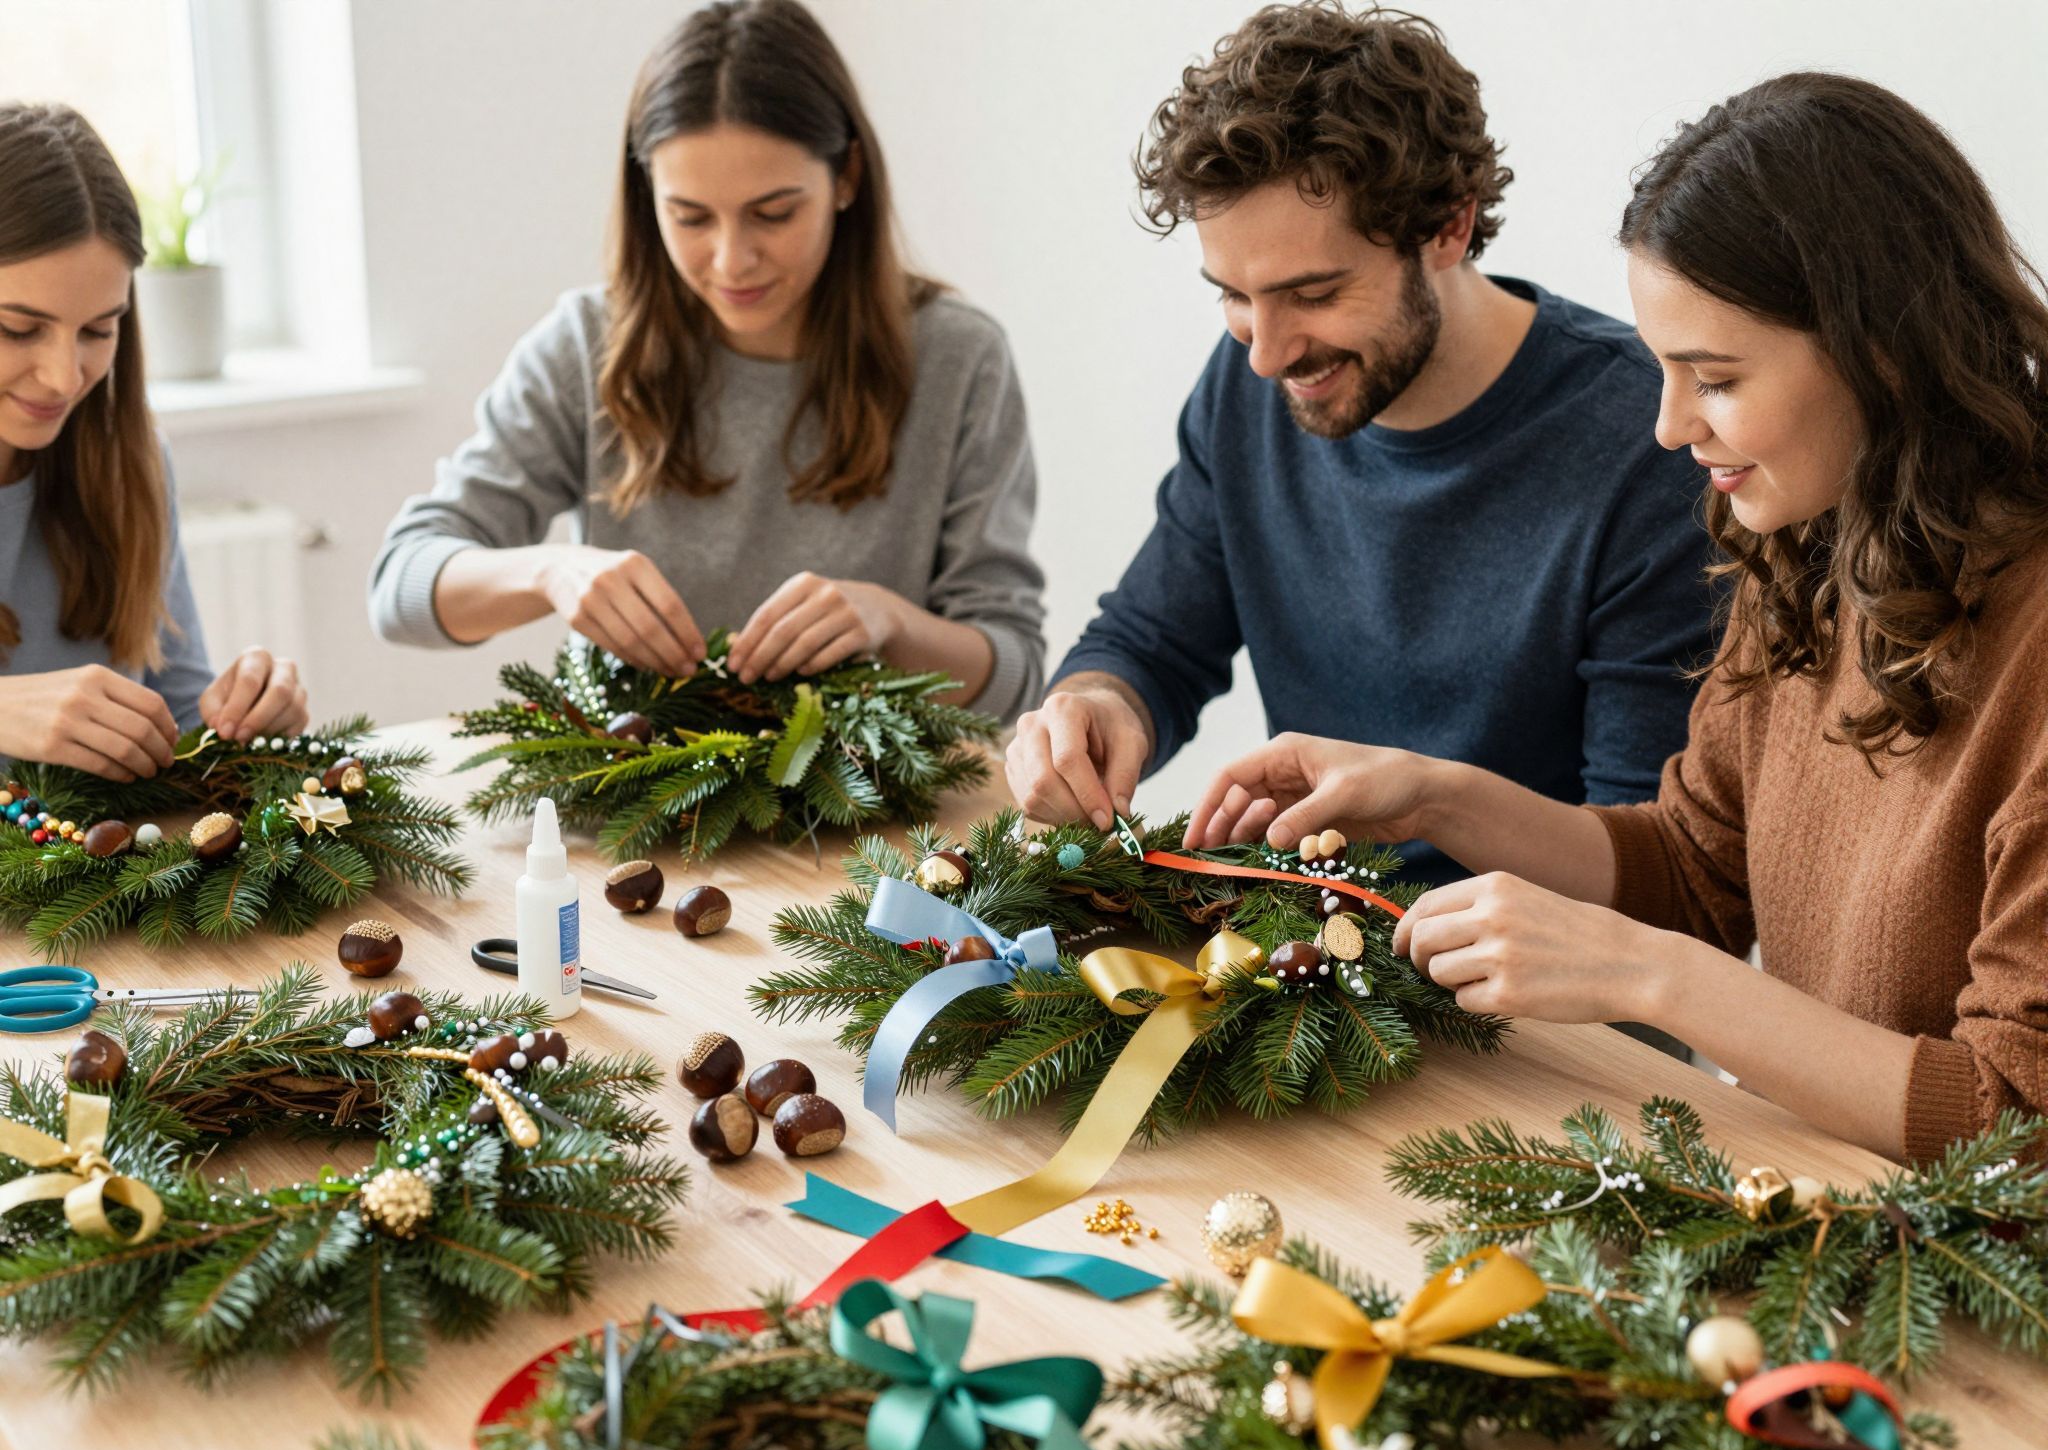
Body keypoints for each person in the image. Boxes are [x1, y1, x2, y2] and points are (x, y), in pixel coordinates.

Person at [1187, 73, 2048, 1163]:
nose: (1666, 425)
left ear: (1879, 352)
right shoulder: (1808, 538)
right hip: (1813, 1203)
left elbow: (2013, 1121)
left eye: (1714, 378)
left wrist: (1652, 977)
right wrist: (1434, 794)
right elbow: (1693, 867)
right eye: (1661, 369)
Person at [1005, 2, 1715, 886]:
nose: (1265, 352)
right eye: (1232, 294)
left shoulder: (1653, 439)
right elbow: (1153, 642)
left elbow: (1660, 870)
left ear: (1449, 228)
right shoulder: (1251, 386)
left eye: (1313, 292)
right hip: (1306, 969)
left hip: (1542, 1001)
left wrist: (1436, 808)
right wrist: (1093, 708)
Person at [370, 0, 1045, 720]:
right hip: (628, 811)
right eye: (690, 217)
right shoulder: (584, 345)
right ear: (646, 196)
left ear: (846, 177)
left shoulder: (960, 358)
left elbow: (1016, 675)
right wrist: (549, 571)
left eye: (774, 213)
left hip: (876, 817)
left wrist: (890, 622)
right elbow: (400, 590)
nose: (732, 259)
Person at [0, 103, 308, 781]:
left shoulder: (124, 465)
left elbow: (178, 721)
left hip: (98, 884)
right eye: (18, 329)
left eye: (97, 330)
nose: (63, 376)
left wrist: (248, 719)